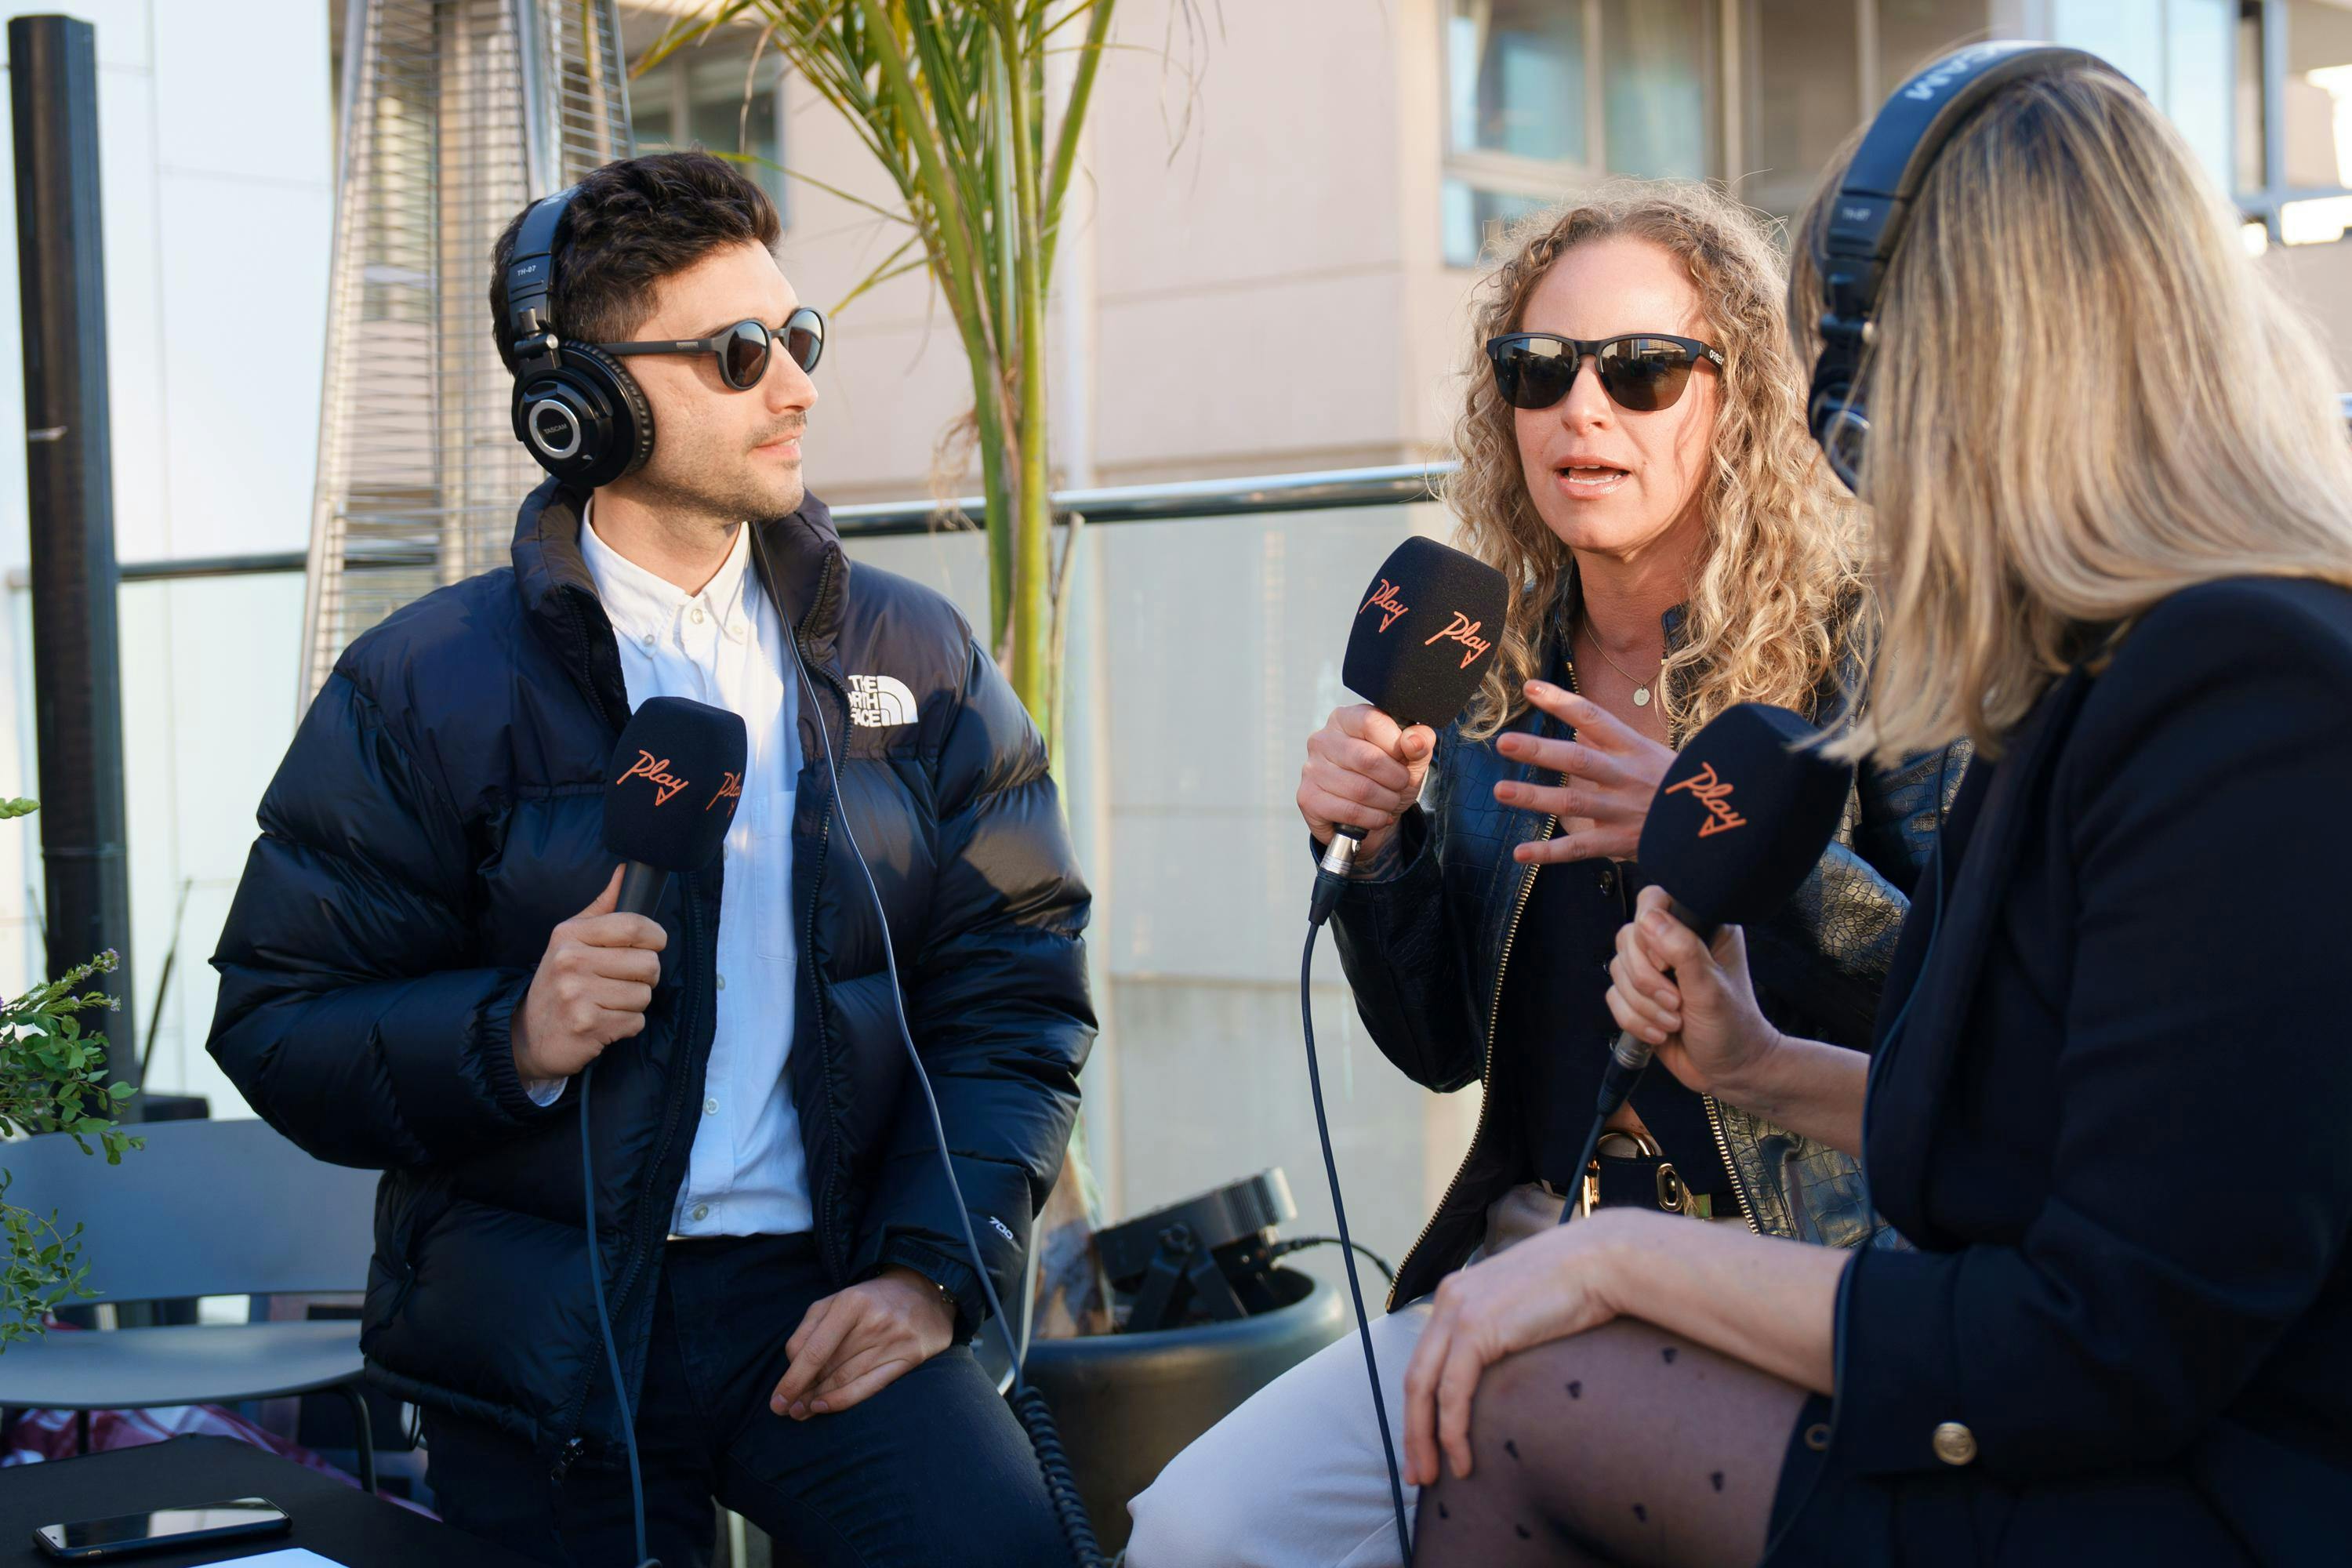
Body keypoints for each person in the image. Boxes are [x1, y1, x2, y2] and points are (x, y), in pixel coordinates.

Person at [1400, 52, 2352, 1568]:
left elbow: (2108, 1336)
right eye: (1542, 370)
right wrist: (1767, 1067)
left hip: (2206, 1487)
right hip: (2090, 1413)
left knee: (1527, 1403)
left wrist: (1625, 1263)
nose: (1847, 438)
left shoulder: (2245, 691)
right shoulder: (2093, 673)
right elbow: (2055, 1124)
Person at [205, 151, 1091, 1568]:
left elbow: (1018, 991)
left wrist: (933, 1273)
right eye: (742, 355)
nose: (797, 387)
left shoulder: (914, 658)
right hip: (546, 1335)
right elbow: (276, 1018)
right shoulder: (421, 684)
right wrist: (515, 1037)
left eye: (799, 340)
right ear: (589, 402)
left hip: (830, 1296)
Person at [1125, 181, 1962, 1568]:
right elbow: (1446, 1048)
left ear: (1740, 394)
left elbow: (1966, 999)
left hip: (1803, 1276)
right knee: (1195, 1531)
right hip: (1527, 1257)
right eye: (1539, 370)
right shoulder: (1483, 672)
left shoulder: (1874, 648)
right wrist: (1380, 856)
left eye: (1640, 373)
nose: (1584, 412)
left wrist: (1715, 842)